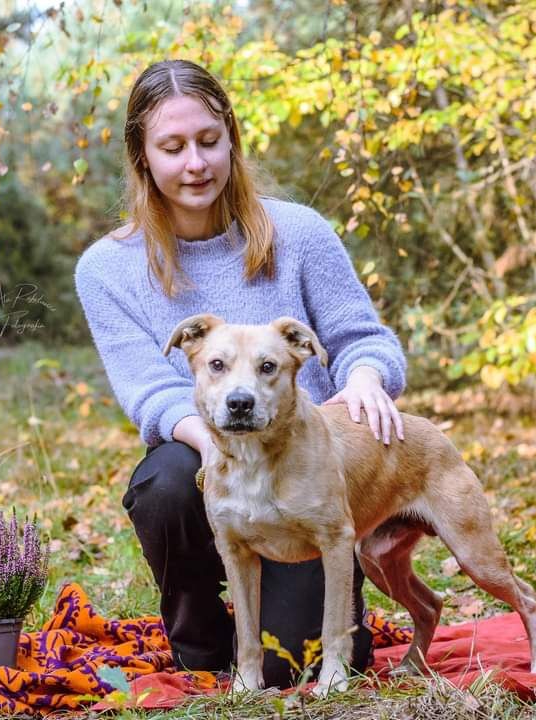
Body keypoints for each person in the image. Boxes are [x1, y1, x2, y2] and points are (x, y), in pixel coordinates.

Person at [74, 59, 407, 688]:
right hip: (205, 454)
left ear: (232, 138)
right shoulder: (106, 268)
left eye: (208, 141)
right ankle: (202, 644)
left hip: (304, 463)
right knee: (167, 481)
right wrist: (221, 445)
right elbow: (153, 392)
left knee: (297, 665)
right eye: (172, 148)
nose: (195, 163)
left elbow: (363, 340)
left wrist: (365, 377)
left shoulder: (300, 233)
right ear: (142, 156)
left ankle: (290, 630)